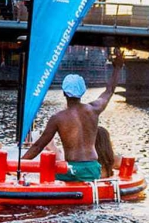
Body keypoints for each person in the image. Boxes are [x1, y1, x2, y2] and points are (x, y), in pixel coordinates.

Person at [23, 52, 125, 183]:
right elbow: (109, 90)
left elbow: (38, 146)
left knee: (42, 175)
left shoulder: (58, 118)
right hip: (93, 169)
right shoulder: (94, 109)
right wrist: (117, 67)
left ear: (64, 92)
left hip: (73, 170)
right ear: (82, 91)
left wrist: (20, 165)